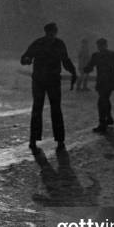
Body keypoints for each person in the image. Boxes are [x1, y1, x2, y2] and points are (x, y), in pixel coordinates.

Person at [20, 22, 76, 152]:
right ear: (49, 32)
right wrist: (73, 72)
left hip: (43, 80)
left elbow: (65, 60)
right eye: (50, 32)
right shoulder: (57, 43)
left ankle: (37, 140)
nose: (51, 34)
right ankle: (56, 141)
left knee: (42, 109)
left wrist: (73, 72)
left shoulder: (40, 42)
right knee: (49, 109)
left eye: (52, 32)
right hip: (48, 81)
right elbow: (25, 57)